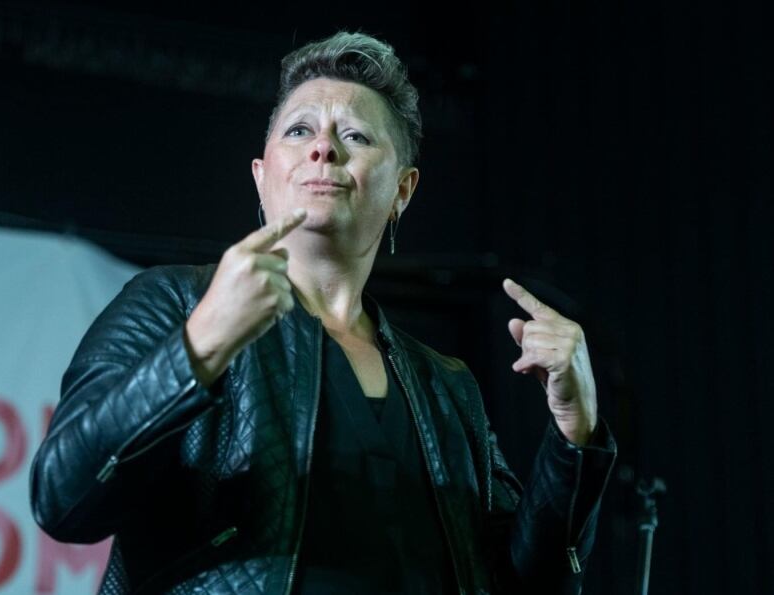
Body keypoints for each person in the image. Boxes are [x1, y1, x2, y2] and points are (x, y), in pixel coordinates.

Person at [30, 30, 617, 594]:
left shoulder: (448, 387)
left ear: (403, 192)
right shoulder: (175, 302)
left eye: (357, 136)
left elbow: (526, 584)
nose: (323, 146)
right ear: (262, 177)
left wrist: (574, 436)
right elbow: (62, 497)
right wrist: (201, 345)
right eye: (300, 129)